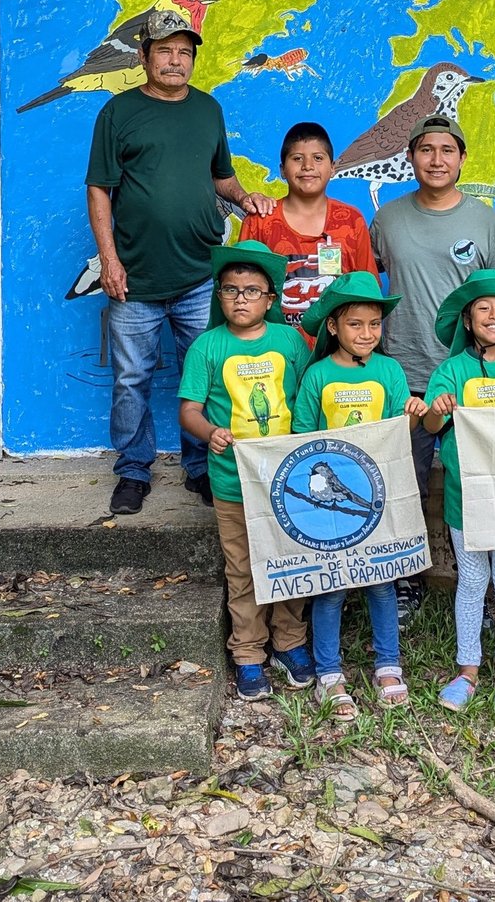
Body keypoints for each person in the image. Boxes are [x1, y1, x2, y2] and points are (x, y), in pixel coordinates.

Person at [85, 7, 275, 517]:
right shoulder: (118, 113)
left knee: (205, 377)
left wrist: (244, 198)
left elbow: (221, 177)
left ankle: (201, 467)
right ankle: (133, 470)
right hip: (136, 279)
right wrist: (110, 261)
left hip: (199, 276)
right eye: (165, 51)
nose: (175, 60)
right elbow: (99, 189)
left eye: (184, 52)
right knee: (131, 380)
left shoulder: (208, 110)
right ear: (144, 56)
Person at [371, 114, 495, 619]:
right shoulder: (387, 220)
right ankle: (405, 581)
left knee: (479, 483)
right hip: (406, 375)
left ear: (462, 158)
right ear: (410, 157)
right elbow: (371, 285)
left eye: (447, 150)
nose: (436, 159)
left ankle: (480, 583)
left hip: (470, 379)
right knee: (404, 484)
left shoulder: (485, 221)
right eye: (426, 150)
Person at [176, 240, 315, 701]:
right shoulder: (207, 346)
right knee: (243, 568)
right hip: (233, 480)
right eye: (231, 290)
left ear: (270, 299)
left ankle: (289, 642)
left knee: (293, 560)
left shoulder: (289, 342)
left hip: (288, 480)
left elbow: (307, 397)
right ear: (219, 296)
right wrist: (210, 432)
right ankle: (249, 653)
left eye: (252, 291)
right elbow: (189, 410)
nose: (241, 298)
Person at [412, 269, 495, 723]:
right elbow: (431, 426)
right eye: (484, 308)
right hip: (464, 495)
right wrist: (437, 411)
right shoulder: (451, 371)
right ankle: (467, 668)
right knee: (472, 581)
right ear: (468, 321)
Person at [292, 271, 412, 716]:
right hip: (332, 505)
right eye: (355, 324)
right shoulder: (318, 375)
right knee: (331, 586)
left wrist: (414, 414)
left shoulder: (390, 371)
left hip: (377, 496)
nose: (366, 333)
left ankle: (388, 665)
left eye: (374, 324)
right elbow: (302, 436)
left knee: (382, 580)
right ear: (333, 327)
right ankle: (328, 673)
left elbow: (399, 431)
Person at [238, 121, 377, 330]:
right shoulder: (260, 221)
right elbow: (240, 290)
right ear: (282, 170)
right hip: (275, 345)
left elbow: (367, 289)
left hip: (336, 346)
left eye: (318, 158)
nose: (308, 166)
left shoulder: (351, 220)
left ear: (332, 168)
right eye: (297, 158)